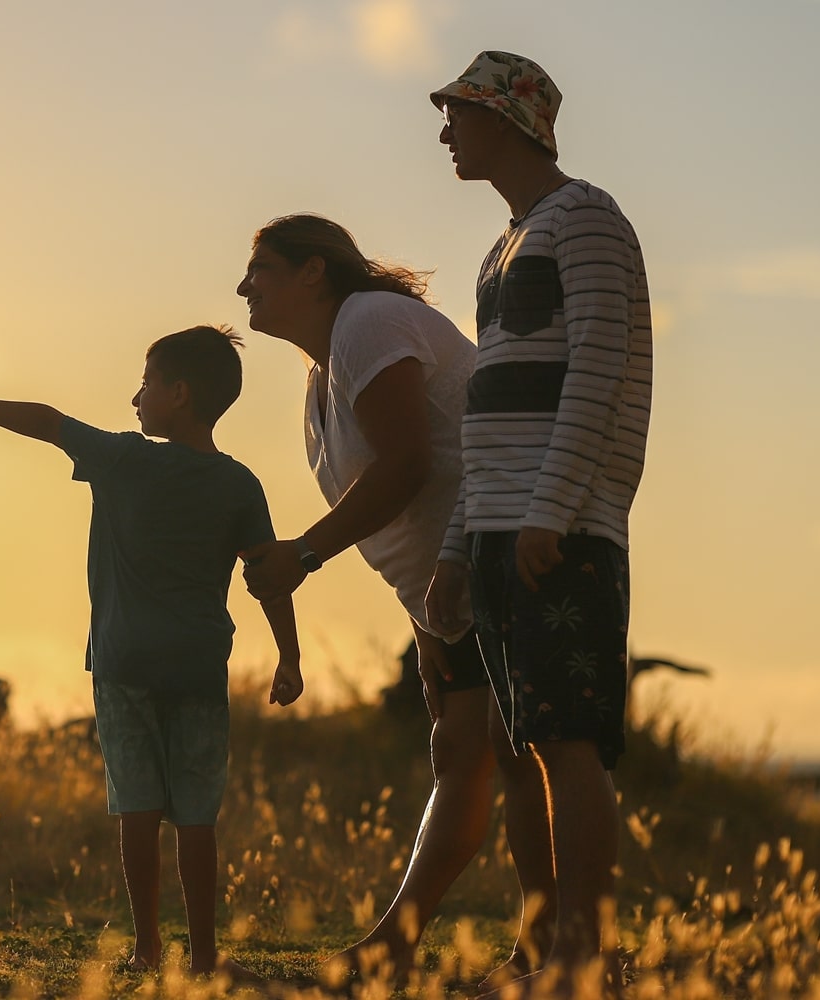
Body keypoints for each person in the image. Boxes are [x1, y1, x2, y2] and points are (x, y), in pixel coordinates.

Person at [0, 325, 301, 981]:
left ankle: (148, 949)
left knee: (138, 810)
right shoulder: (239, 484)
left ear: (177, 393)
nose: (135, 396)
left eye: (146, 384)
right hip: (200, 668)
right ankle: (203, 958)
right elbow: (267, 574)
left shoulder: (122, 459)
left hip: (123, 666)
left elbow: (45, 421)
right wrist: (289, 657)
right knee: (197, 819)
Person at [235, 215, 551, 982]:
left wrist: (305, 552)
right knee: (470, 755)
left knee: (512, 755)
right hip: (451, 585)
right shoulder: (326, 374)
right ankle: (454, 945)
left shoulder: (369, 323)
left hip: (502, 551)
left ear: (315, 272)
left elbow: (409, 465)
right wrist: (427, 624)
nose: (246, 287)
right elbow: (410, 499)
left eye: (262, 269)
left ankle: (526, 949)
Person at [424, 50, 653, 995]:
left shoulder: (588, 220)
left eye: (460, 114)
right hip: (496, 531)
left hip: (557, 529)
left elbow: (602, 374)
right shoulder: (504, 244)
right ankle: (539, 949)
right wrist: (454, 547)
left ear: (512, 123)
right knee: (520, 748)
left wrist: (553, 510)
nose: (446, 131)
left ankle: (583, 962)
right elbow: (490, 410)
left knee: (568, 741)